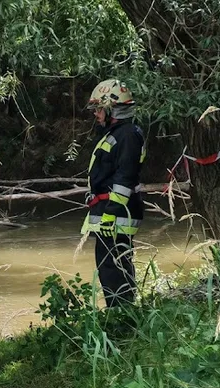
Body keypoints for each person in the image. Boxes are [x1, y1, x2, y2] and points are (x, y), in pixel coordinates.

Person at [82, 78, 146, 307]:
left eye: (99, 109)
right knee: (111, 266)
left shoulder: (127, 135)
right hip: (112, 214)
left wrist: (110, 213)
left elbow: (124, 179)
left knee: (113, 269)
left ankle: (121, 320)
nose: (96, 114)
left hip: (117, 215)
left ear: (112, 108)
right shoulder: (119, 133)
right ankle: (121, 316)